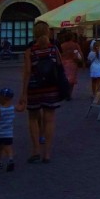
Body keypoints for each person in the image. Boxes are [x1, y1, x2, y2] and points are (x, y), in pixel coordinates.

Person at [19, 21, 61, 163]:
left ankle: (36, 149)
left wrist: (23, 93)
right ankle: (47, 153)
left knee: (32, 119)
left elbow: (27, 72)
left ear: (34, 33)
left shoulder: (30, 51)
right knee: (49, 120)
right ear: (48, 32)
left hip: (34, 88)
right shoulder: (53, 49)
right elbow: (60, 67)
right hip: (50, 88)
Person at [0, 88, 23, 171]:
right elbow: (21, 108)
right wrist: (23, 102)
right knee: (8, 147)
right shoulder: (13, 108)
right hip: (9, 133)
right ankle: (10, 158)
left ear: (4, 98)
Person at [59, 32, 83, 100]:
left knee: (65, 79)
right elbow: (80, 53)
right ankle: (69, 94)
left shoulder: (62, 45)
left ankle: (65, 93)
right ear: (72, 37)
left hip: (64, 63)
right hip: (72, 63)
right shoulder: (75, 45)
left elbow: (59, 55)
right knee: (71, 80)